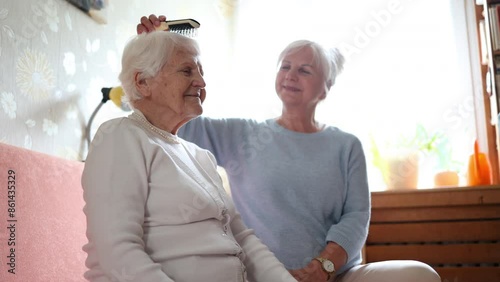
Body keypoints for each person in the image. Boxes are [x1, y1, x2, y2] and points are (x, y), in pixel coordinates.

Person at [137, 15, 442, 282]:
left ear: (327, 86)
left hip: (337, 275)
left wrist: (322, 267)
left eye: (305, 70)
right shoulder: (242, 134)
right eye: (285, 67)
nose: (291, 75)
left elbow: (356, 215)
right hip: (260, 275)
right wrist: (151, 57)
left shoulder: (346, 145)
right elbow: (167, 117)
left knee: (419, 275)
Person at [82, 30, 298, 282]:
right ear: (143, 82)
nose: (201, 82)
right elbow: (117, 252)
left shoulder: (200, 156)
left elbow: (243, 239)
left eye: (201, 72)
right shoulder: (120, 136)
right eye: (187, 71)